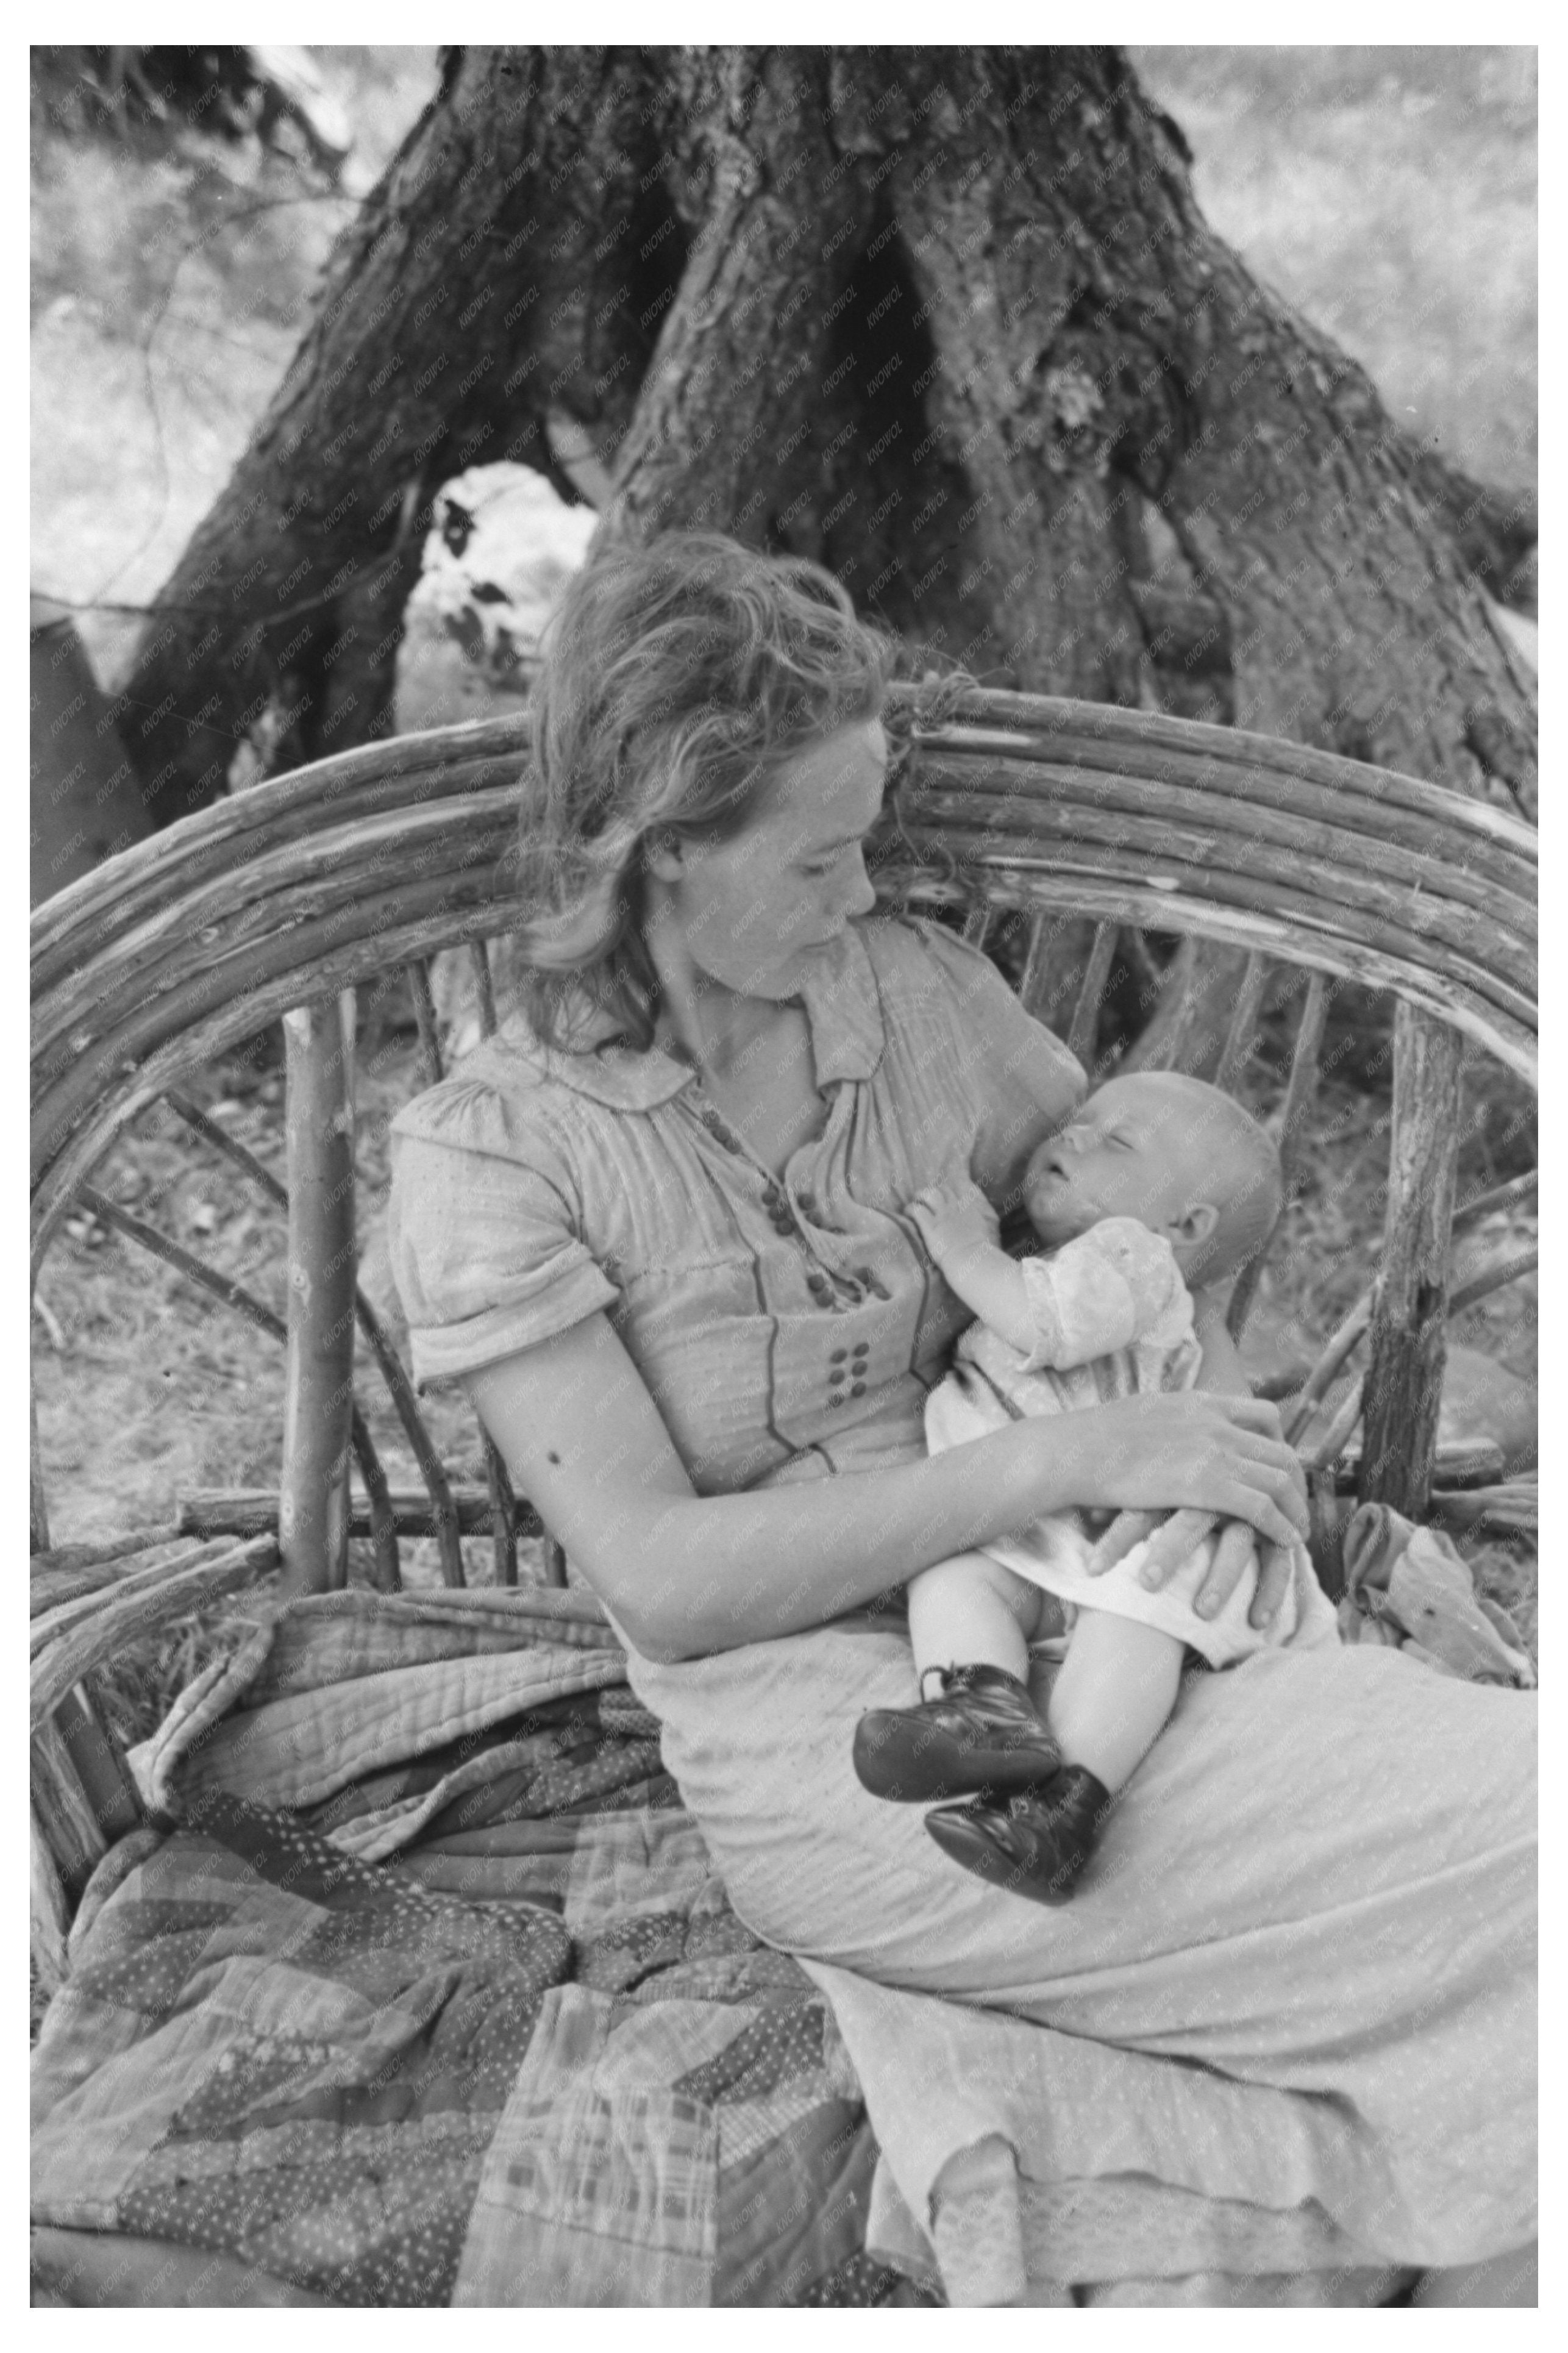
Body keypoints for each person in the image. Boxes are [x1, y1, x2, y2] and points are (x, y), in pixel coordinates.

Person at [388, 530, 1535, 2302]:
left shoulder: (914, 998)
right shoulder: (496, 1153)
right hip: (846, 1744)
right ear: (663, 843)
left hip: (1121, 1615)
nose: (862, 892)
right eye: (819, 856)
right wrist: (1060, 1458)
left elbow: (1153, 1259)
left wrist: (1204, 1464)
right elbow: (664, 1581)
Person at [852, 1073, 1340, 1902]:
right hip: (1052, 1536)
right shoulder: (1069, 1259)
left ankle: (1062, 1807)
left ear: (1184, 1227)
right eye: (1079, 1123)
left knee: (1137, 1613)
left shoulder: (1135, 1260)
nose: (1073, 1138)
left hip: (1135, 1536)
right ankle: (982, 1707)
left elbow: (1047, 1324)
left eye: (1116, 1142)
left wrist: (963, 1248)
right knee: (955, 1578)